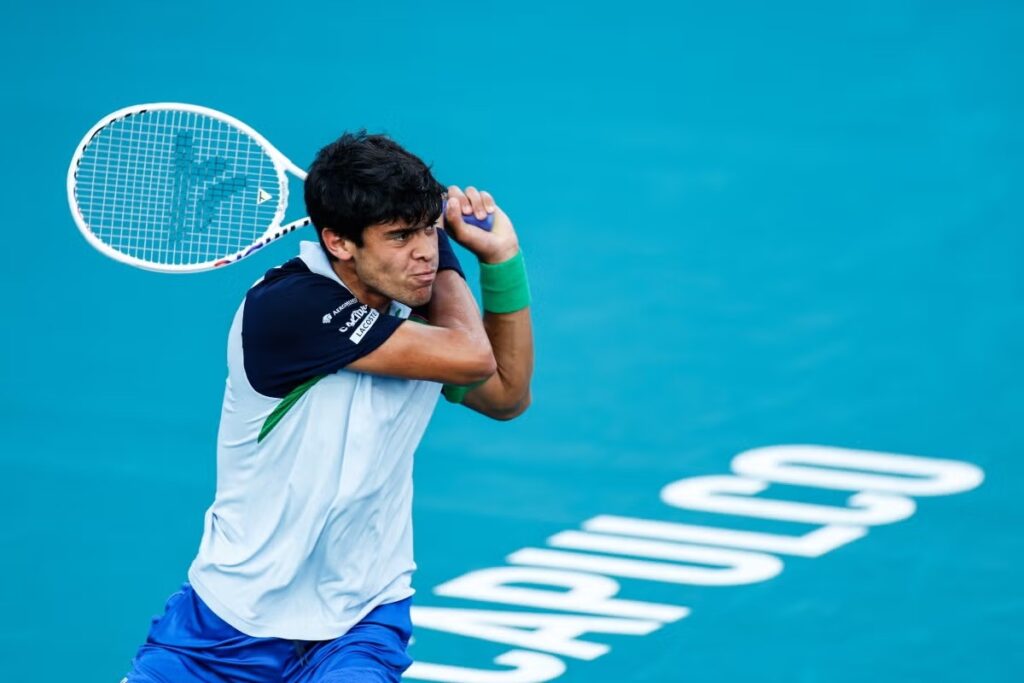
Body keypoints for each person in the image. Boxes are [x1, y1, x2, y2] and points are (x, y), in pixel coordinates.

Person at [124, 131, 534, 683]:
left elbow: (506, 394)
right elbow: (470, 357)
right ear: (339, 242)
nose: (422, 253)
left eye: (426, 231)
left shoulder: (412, 307)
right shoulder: (287, 309)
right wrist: (450, 259)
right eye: (400, 236)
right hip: (222, 631)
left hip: (360, 622)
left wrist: (503, 258)